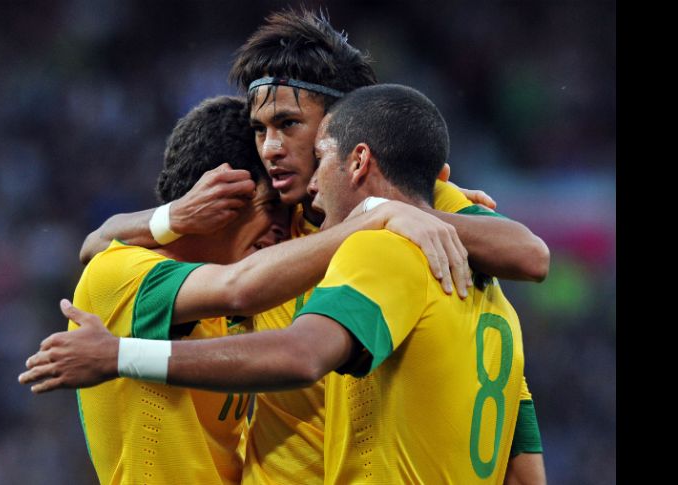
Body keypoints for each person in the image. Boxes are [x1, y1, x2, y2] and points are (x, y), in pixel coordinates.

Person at [76, 9, 547, 484]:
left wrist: (397, 208)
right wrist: (170, 216)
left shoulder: (403, 204)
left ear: (343, 128)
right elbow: (100, 249)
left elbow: (529, 256)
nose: (271, 148)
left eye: (288, 124)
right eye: (261, 130)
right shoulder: (275, 226)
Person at [37, 93, 463, 485]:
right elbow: (240, 289)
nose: (284, 229)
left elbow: (527, 254)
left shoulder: (232, 284)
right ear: (216, 198)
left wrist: (439, 206)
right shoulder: (125, 274)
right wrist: (377, 218)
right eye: (270, 208)